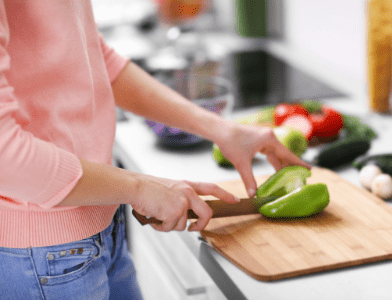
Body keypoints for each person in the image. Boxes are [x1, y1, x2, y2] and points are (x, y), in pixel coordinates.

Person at [0, 1, 310, 299]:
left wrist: (221, 129)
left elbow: (91, 55)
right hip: (39, 257)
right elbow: (6, 157)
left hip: (101, 223)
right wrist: (139, 187)